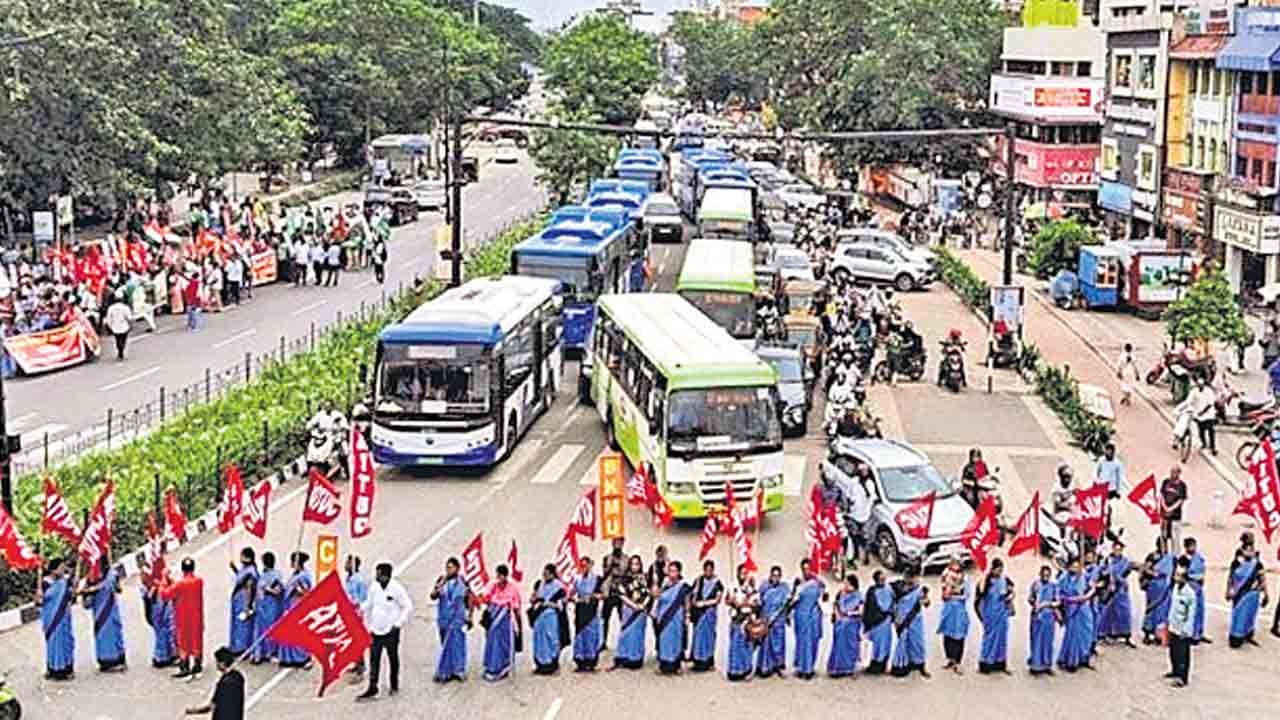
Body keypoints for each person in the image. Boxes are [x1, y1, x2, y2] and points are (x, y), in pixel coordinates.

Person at [355, 562, 413, 700]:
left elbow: (407, 606)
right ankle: (372, 687)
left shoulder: (396, 589)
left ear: (386, 576)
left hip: (391, 631)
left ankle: (394, 684)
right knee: (374, 659)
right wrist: (359, 609)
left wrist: (398, 624)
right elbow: (369, 603)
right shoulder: (374, 587)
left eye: (379, 574)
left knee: (393, 658)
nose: (377, 576)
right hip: (375, 630)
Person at [162, 557, 206, 680]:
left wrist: (164, 579)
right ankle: (197, 663)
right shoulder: (199, 581)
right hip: (197, 616)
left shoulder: (180, 584)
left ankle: (184, 666)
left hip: (182, 618)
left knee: (183, 642)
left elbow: (165, 594)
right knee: (197, 640)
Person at [81, 556, 127, 672]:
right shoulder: (90, 578)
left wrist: (113, 581)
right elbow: (85, 603)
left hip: (111, 611)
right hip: (99, 614)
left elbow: (119, 589)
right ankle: (105, 661)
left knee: (114, 633)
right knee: (102, 636)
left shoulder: (112, 574)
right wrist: (88, 591)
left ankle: (118, 659)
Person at [430, 557, 470, 682]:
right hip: (444, 618)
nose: (448, 569)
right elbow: (433, 596)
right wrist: (438, 587)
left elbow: (469, 599)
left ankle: (459, 670)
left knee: (458, 644)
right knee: (445, 644)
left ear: (457, 568)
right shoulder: (441, 580)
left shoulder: (463, 582)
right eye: (447, 567)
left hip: (458, 619)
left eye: (451, 567)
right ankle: (446, 671)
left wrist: (470, 616)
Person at [1227, 532, 1269, 648]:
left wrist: (1266, 593)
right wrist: (1229, 590)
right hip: (1240, 593)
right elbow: (1231, 577)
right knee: (1238, 615)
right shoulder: (1237, 561)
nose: (1250, 551)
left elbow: (1262, 577)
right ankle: (1236, 637)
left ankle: (1248, 635)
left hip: (1252, 594)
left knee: (1250, 615)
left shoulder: (1257, 563)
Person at [482, 564, 523, 682]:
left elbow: (516, 605)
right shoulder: (493, 586)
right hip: (493, 617)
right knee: (492, 642)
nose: (499, 578)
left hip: (505, 620)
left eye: (501, 576)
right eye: (497, 575)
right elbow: (486, 597)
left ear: (505, 576)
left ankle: (503, 667)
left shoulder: (512, 588)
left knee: (503, 644)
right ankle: (491, 666)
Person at [609, 555, 649, 671]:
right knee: (626, 632)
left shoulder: (644, 578)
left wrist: (643, 605)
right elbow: (621, 594)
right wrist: (633, 605)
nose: (635, 566)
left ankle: (635, 659)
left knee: (638, 635)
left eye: (637, 564)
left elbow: (648, 594)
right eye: (633, 564)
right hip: (628, 609)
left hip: (641, 611)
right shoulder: (624, 579)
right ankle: (623, 657)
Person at [39, 557, 76, 680]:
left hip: (64, 618)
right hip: (51, 619)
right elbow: (39, 602)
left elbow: (71, 597)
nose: (63, 570)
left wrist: (73, 588)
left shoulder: (65, 582)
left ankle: (67, 668)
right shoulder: (44, 583)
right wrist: (38, 595)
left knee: (66, 642)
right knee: (52, 643)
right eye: (61, 568)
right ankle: (53, 669)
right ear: (53, 570)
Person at [183, 647, 244, 720]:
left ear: (222, 664)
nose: (216, 664)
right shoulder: (239, 677)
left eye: (217, 662)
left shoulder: (223, 684)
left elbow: (210, 707)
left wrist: (192, 711)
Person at [530, 563, 570, 675]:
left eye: (547, 574)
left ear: (552, 574)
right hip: (539, 616)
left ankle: (552, 664)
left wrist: (550, 603)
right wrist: (534, 599)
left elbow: (562, 603)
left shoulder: (559, 586)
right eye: (544, 574)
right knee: (539, 639)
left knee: (551, 638)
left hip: (551, 615)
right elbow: (533, 597)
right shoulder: (539, 584)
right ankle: (540, 664)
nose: (545, 576)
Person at [1056, 557, 1095, 672]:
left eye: (1077, 566)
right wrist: (1071, 599)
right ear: (1068, 567)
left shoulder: (1084, 575)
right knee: (1073, 634)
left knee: (1086, 633)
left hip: (1084, 608)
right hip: (1072, 608)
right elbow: (1059, 594)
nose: (1075, 568)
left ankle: (1084, 658)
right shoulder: (1063, 578)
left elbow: (1092, 588)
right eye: (1073, 566)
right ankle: (1071, 660)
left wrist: (1086, 596)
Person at [976, 558, 1014, 674]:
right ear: (992, 569)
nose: (999, 572)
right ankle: (985, 663)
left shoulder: (1005, 579)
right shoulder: (986, 581)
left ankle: (1000, 663)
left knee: (1002, 639)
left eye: (1001, 570)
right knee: (989, 638)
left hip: (1002, 614)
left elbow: (1011, 591)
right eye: (997, 570)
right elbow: (979, 597)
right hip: (990, 615)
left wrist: (1011, 597)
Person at [890, 568, 930, 677]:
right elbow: (892, 602)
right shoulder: (897, 587)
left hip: (916, 620)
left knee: (917, 642)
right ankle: (901, 665)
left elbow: (926, 603)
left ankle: (919, 664)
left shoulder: (920, 589)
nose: (912, 580)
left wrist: (924, 599)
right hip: (902, 620)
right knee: (903, 642)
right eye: (908, 577)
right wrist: (895, 617)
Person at [277, 552, 313, 668]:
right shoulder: (295, 575)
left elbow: (307, 593)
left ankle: (301, 658)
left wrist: (299, 590)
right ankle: (288, 658)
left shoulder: (304, 576)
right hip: (290, 607)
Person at [652, 560, 688, 675]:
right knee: (664, 639)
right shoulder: (665, 584)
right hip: (663, 616)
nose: (672, 574)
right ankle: (663, 664)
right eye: (670, 571)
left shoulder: (683, 586)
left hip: (676, 616)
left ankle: (676, 665)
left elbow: (687, 602)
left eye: (674, 571)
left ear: (679, 572)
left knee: (676, 640)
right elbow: (657, 596)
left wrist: (687, 616)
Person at [790, 558, 824, 679]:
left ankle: (810, 668)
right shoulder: (798, 582)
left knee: (812, 641)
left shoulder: (818, 582)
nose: (806, 571)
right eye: (804, 569)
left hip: (813, 615)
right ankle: (802, 668)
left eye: (808, 568)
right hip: (801, 615)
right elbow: (792, 599)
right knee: (802, 642)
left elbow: (824, 597)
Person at [688, 559, 723, 672]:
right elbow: (692, 595)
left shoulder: (717, 583)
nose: (708, 572)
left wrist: (704, 603)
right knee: (698, 637)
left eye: (710, 570)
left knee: (709, 637)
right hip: (699, 614)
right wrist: (693, 604)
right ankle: (697, 660)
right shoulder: (698, 580)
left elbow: (717, 599)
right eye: (706, 570)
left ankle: (708, 661)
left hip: (709, 613)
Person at [1098, 540, 1136, 646]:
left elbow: (1127, 571)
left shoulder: (1125, 561)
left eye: (1120, 549)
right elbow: (1101, 571)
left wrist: (1117, 576)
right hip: (1110, 589)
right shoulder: (1107, 560)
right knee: (1108, 612)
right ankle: (1106, 634)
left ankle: (1126, 635)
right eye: (1116, 549)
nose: (1117, 551)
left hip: (1121, 590)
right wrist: (1106, 573)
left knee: (1124, 612)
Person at [726, 564, 759, 682]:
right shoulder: (732, 586)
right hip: (735, 618)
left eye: (745, 573)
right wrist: (732, 601)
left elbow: (756, 603)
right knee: (735, 646)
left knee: (746, 646)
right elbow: (726, 600)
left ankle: (746, 670)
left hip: (746, 619)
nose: (743, 576)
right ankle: (734, 671)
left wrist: (746, 603)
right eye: (741, 573)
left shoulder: (751, 587)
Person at [570, 557, 604, 672]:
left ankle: (591, 660)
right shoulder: (577, 579)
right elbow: (571, 594)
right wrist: (576, 599)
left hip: (592, 611)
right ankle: (580, 660)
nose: (584, 568)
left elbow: (602, 595)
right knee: (580, 636)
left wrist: (592, 596)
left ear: (590, 565)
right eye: (582, 566)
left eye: (586, 565)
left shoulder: (597, 579)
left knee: (591, 635)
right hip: (580, 611)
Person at [937, 556, 970, 674]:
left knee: (959, 635)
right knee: (947, 634)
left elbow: (966, 595)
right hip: (948, 609)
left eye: (957, 563)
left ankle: (958, 661)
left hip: (959, 610)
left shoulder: (964, 578)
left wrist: (953, 595)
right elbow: (942, 590)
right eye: (953, 563)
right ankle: (950, 658)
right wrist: (945, 595)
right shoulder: (945, 575)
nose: (955, 566)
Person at [755, 565, 789, 678]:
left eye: (777, 576)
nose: (775, 578)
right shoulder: (764, 586)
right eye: (773, 576)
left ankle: (778, 666)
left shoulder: (784, 588)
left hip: (778, 621)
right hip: (765, 619)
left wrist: (774, 617)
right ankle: (764, 667)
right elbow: (759, 601)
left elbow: (784, 604)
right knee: (765, 644)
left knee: (778, 645)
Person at [1140, 537, 1175, 645]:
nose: (1163, 546)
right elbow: (1144, 569)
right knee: (1152, 610)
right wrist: (1154, 573)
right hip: (1154, 588)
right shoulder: (1153, 557)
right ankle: (1147, 632)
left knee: (1163, 612)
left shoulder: (1170, 558)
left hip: (1165, 588)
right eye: (1161, 544)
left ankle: (1159, 635)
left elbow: (1173, 572)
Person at [826, 574, 863, 678]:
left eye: (847, 583)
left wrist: (849, 614)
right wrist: (838, 616)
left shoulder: (858, 596)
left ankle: (850, 668)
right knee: (839, 646)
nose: (845, 585)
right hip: (840, 624)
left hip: (852, 624)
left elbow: (860, 611)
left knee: (852, 646)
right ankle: (837, 668)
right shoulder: (841, 594)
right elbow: (836, 605)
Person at [1167, 563, 1196, 687]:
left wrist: (1187, 629)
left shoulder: (1189, 594)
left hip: (1183, 627)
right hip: (1174, 625)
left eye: (1178, 576)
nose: (1175, 577)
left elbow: (1191, 613)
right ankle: (1174, 671)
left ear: (1184, 578)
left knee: (1182, 653)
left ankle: (1182, 677)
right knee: (1173, 651)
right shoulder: (1176, 588)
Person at [252, 552, 284, 665]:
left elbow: (278, 591)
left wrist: (268, 589)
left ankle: (270, 653)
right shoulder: (265, 575)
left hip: (270, 606)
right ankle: (261, 653)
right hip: (264, 607)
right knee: (261, 629)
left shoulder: (274, 576)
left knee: (269, 629)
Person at [1027, 565, 1059, 676]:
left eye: (1047, 575)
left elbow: (1057, 602)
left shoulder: (1054, 586)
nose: (1045, 577)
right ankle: (1035, 665)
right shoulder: (1035, 585)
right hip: (1037, 617)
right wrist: (1034, 601)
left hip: (1049, 617)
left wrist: (1047, 604)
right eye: (1043, 575)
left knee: (1048, 641)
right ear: (1040, 574)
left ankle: (1047, 665)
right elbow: (1030, 598)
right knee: (1036, 640)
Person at [143, 573, 178, 668]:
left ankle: (168, 655)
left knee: (166, 631)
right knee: (163, 632)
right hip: (157, 611)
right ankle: (163, 656)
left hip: (160, 610)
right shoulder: (152, 588)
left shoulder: (162, 582)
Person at [599, 537, 628, 648]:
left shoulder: (626, 558)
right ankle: (603, 641)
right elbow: (605, 573)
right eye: (616, 543)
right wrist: (611, 566)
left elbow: (626, 574)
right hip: (609, 591)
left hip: (620, 592)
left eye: (620, 543)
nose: (618, 545)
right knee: (605, 618)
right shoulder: (607, 558)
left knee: (623, 618)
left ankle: (624, 640)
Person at [228, 548, 258, 655]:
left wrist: (247, 606)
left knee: (243, 626)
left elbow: (249, 589)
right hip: (238, 600)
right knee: (237, 624)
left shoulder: (251, 572)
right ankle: (236, 645)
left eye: (242, 556)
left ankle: (242, 647)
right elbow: (240, 577)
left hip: (243, 600)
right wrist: (234, 569)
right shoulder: (245, 568)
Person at [863, 570, 894, 675]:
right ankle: (874, 665)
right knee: (876, 645)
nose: (883, 580)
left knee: (885, 644)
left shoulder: (889, 589)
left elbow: (893, 603)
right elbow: (868, 608)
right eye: (881, 578)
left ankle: (883, 664)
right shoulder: (871, 591)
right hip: (876, 623)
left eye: (884, 578)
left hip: (886, 622)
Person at [343, 555, 369, 677]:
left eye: (347, 563)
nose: (345, 565)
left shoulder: (359, 580)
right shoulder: (348, 579)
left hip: (355, 613)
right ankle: (356, 662)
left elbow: (363, 598)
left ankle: (361, 665)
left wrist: (353, 602)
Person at [1180, 537, 1210, 644]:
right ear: (1186, 547)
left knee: (1200, 610)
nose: (1193, 548)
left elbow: (1203, 569)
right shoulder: (1184, 559)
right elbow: (1181, 574)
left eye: (1194, 545)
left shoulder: (1199, 557)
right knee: (1190, 612)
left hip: (1199, 587)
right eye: (1191, 546)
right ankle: (1191, 634)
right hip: (1189, 586)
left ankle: (1199, 632)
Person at [1188, 379, 1218, 454]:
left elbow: (1210, 404)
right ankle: (1204, 443)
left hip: (1209, 414)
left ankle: (1213, 447)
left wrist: (1202, 412)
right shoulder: (1194, 391)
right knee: (1201, 430)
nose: (1200, 386)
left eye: (1201, 385)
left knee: (1211, 430)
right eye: (1198, 385)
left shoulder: (1209, 392)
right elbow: (1189, 401)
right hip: (1198, 414)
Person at [1160, 467, 1187, 549]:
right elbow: (1162, 495)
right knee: (1163, 536)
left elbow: (1181, 500)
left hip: (1175, 516)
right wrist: (1164, 506)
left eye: (1174, 472)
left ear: (1179, 474)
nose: (1172, 474)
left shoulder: (1182, 485)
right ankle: (1164, 553)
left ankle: (1174, 556)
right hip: (1164, 516)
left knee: (1174, 538)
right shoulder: (1166, 482)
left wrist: (1171, 509)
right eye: (1171, 472)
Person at [104, 291, 132, 360]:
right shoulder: (125, 307)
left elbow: (108, 319)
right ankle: (121, 352)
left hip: (115, 327)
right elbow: (129, 318)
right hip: (124, 326)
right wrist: (130, 325)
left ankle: (120, 353)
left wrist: (110, 326)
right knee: (123, 340)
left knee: (118, 340)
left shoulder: (111, 308)